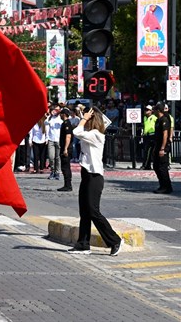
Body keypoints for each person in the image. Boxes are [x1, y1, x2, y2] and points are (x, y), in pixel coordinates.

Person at [67, 107, 122, 256]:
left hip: (95, 176)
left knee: (93, 210)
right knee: (84, 211)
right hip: (87, 175)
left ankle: (114, 240)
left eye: (87, 118)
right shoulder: (90, 134)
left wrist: (83, 119)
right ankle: (83, 244)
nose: (84, 120)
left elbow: (76, 132)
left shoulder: (96, 134)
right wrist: (82, 116)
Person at [152, 102, 173, 194]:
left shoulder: (164, 120)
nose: (154, 111)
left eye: (155, 110)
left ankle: (166, 187)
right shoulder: (158, 120)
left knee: (162, 167)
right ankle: (162, 185)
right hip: (157, 146)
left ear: (158, 110)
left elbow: (165, 135)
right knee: (156, 166)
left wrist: (162, 148)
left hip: (163, 147)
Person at [57, 108, 74, 192]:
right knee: (65, 167)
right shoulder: (65, 123)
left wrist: (65, 148)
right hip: (65, 147)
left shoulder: (67, 123)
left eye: (61, 114)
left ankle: (68, 185)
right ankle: (67, 184)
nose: (60, 115)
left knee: (65, 167)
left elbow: (68, 136)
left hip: (66, 148)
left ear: (64, 114)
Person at [46, 105, 62, 181]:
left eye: (57, 110)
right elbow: (46, 123)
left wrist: (59, 114)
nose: (55, 111)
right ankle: (52, 170)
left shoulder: (60, 118)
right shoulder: (50, 118)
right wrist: (49, 115)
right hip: (51, 139)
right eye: (55, 110)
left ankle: (57, 172)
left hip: (58, 139)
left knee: (57, 157)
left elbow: (61, 124)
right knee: (51, 157)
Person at [141, 105, 156, 170]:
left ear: (151, 111)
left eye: (147, 110)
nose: (145, 111)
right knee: (147, 151)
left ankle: (145, 165)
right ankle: (148, 165)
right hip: (146, 136)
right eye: (145, 110)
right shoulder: (144, 117)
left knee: (149, 151)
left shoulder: (154, 117)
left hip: (152, 135)